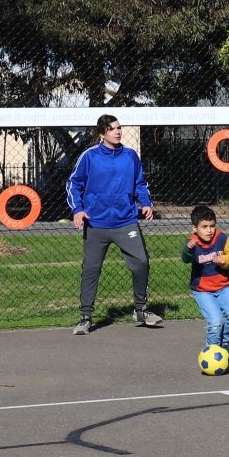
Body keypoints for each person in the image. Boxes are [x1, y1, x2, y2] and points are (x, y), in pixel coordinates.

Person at [67, 114, 159, 336]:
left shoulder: (130, 156)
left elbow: (140, 182)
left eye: (118, 128)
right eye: (112, 129)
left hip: (126, 222)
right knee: (91, 270)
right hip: (96, 224)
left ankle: (140, 309)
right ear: (102, 134)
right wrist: (77, 210)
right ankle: (86, 317)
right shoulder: (89, 157)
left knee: (141, 262)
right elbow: (73, 184)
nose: (117, 132)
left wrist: (145, 203)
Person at [182, 204, 229, 357]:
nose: (209, 230)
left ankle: (224, 343)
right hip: (203, 291)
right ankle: (212, 351)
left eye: (212, 226)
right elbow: (185, 258)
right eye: (204, 226)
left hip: (223, 287)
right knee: (216, 321)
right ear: (195, 228)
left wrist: (225, 259)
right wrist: (188, 249)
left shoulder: (221, 238)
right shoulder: (193, 242)